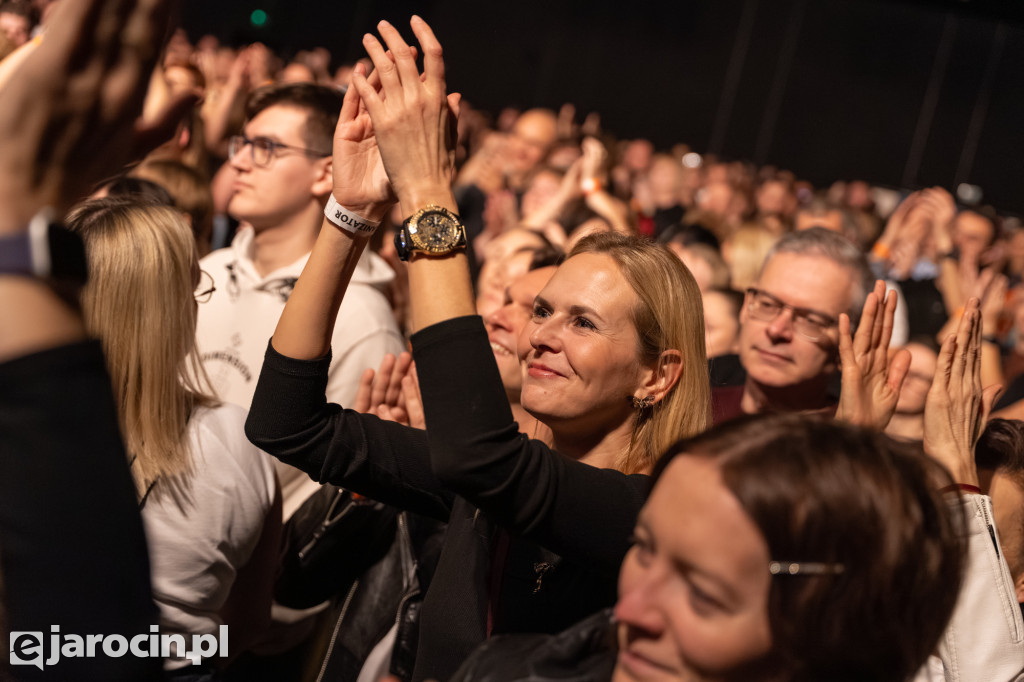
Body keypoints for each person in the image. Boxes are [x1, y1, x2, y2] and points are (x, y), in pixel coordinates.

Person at [246, 16, 710, 680]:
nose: (539, 335)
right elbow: (286, 423)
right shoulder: (486, 484)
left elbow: (480, 459)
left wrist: (428, 193)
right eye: (543, 312)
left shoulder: (650, 514)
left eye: (583, 323)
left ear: (657, 375)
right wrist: (352, 215)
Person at [68, 197, 281, 676]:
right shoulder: (238, 440)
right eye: (193, 287)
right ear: (172, 312)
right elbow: (249, 624)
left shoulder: (25, 430)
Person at [194, 82, 404, 518]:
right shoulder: (207, 269)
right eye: (242, 144)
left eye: (266, 148)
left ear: (327, 173)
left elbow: (324, 483)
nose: (239, 162)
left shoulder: (361, 317)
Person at [712, 227, 878, 422]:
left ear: (849, 343)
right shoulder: (693, 412)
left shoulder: (851, 431)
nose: (776, 329)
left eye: (811, 321)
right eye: (767, 304)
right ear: (746, 306)